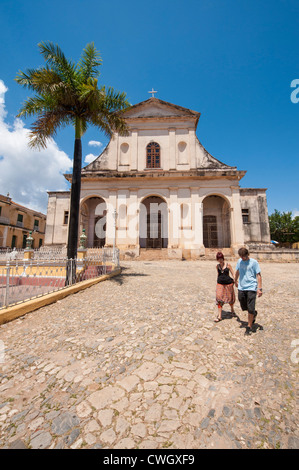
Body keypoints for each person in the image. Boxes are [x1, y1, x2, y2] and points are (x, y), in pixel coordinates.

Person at [234, 247, 262, 336]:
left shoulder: (254, 262)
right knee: (243, 304)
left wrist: (259, 288)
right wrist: (235, 280)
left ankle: (249, 326)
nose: (243, 258)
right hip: (242, 287)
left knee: (250, 307)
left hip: (251, 287)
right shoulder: (239, 261)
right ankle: (253, 313)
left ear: (247, 255)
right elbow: (237, 271)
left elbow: (259, 275)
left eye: (244, 256)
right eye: (241, 256)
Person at [214, 252, 235, 322]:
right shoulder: (217, 266)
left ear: (223, 258)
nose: (220, 260)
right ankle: (219, 316)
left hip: (228, 284)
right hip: (220, 284)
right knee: (219, 298)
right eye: (219, 259)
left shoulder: (228, 265)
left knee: (230, 298)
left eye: (221, 258)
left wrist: (235, 281)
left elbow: (233, 273)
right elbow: (218, 274)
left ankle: (232, 309)